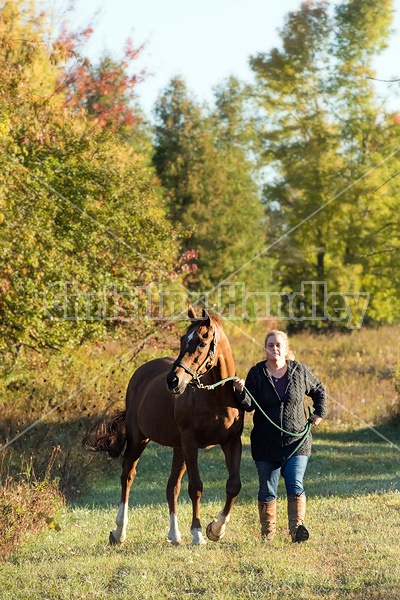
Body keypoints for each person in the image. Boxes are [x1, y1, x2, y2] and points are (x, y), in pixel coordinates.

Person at [233, 330, 326, 543]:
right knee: (267, 488)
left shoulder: (299, 371)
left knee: (295, 482)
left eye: (278, 345)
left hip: (296, 442)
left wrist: (319, 412)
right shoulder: (256, 373)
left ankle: (297, 530)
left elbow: (319, 389)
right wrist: (240, 391)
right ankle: (268, 536)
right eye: (270, 345)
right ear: (265, 348)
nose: (274, 348)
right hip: (266, 444)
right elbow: (248, 405)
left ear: (286, 349)